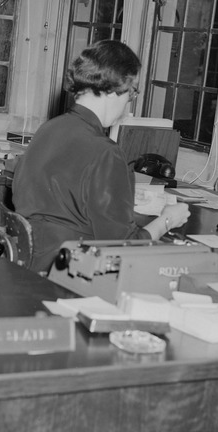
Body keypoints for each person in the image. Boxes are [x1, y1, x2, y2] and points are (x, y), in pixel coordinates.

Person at [12, 40, 191, 274]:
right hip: (69, 273)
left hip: (30, 264)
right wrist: (167, 220)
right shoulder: (106, 152)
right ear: (113, 89)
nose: (128, 104)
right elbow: (124, 247)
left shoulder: (48, 129)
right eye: (132, 92)